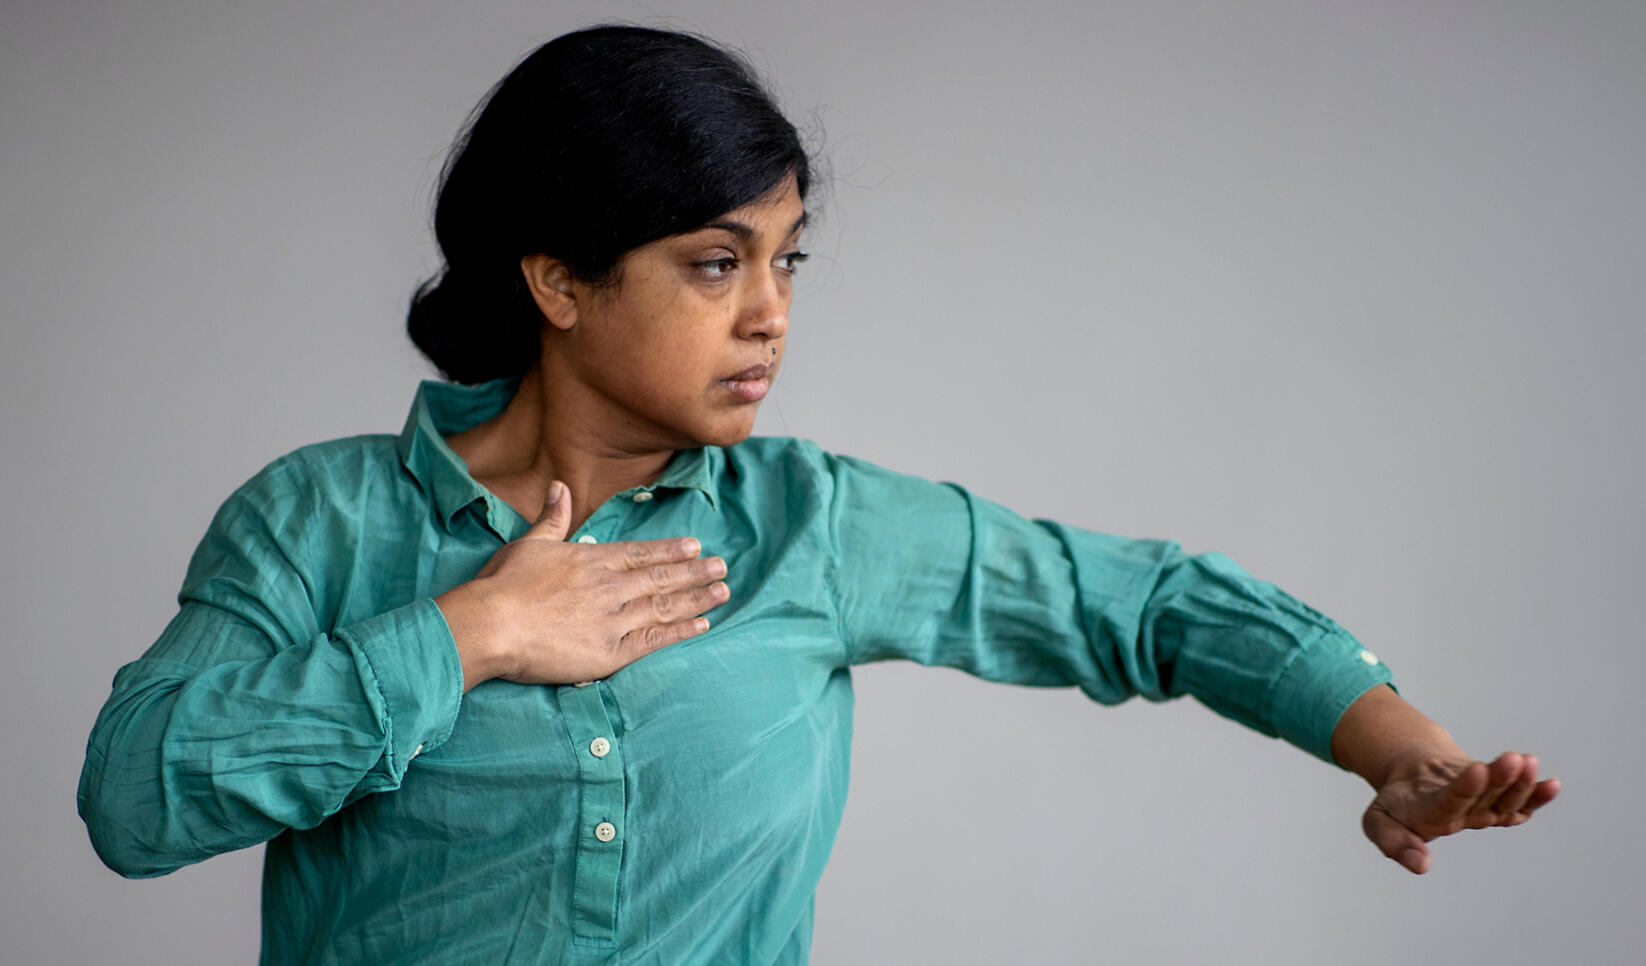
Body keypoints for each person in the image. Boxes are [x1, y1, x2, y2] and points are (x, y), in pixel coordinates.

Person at [77, 23, 1558, 966]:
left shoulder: (809, 525)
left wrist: (1397, 749)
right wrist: (463, 637)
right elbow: (134, 801)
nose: (771, 312)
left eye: (787, 260)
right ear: (559, 280)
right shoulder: (320, 521)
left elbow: (1145, 601)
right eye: (717, 262)